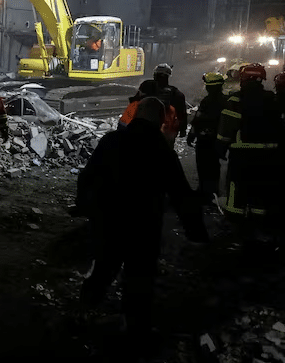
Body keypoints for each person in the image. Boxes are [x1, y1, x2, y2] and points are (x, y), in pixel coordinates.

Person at [77, 97, 208, 357]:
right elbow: (181, 194)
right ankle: (136, 332)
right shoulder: (162, 150)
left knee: (104, 267)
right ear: (160, 121)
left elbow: (87, 177)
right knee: (139, 279)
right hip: (143, 226)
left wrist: (84, 206)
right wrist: (196, 231)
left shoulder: (111, 141)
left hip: (109, 222)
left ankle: (82, 311)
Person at [216, 63, 285, 233]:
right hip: (268, 155)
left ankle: (234, 225)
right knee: (260, 190)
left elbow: (226, 129)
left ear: (244, 79)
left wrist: (220, 148)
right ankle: (258, 227)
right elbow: (281, 127)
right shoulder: (273, 99)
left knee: (236, 189)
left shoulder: (236, 99)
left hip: (242, 154)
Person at [187, 72, 227, 199]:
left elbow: (198, 120)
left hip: (205, 139)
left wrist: (191, 135)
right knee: (214, 165)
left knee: (204, 165)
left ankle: (205, 192)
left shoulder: (207, 101)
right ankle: (213, 191)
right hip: (218, 139)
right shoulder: (226, 101)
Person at [118, 80, 179, 147]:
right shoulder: (170, 108)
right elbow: (173, 131)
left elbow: (122, 127)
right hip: (160, 147)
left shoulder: (135, 106)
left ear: (141, 92)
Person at [145, 63, 188, 140]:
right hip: (167, 132)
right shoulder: (176, 93)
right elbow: (182, 113)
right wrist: (183, 129)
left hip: (148, 130)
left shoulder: (147, 88)